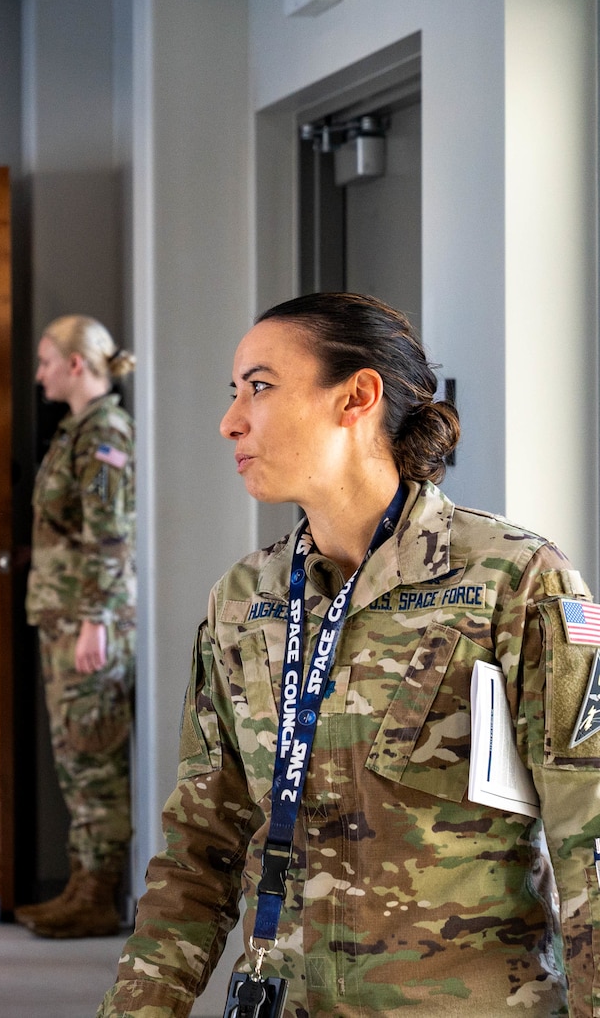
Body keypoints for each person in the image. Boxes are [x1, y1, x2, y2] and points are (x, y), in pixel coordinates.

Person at [101, 293, 600, 1016]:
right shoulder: (243, 600)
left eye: (260, 387)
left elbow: (589, 833)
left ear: (357, 396)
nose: (231, 420)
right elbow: (199, 846)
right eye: (233, 392)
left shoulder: (513, 581)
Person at [14, 315, 137, 940]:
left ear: (74, 364)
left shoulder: (104, 433)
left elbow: (110, 535)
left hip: (88, 624)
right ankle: (80, 886)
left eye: (44, 361)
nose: (37, 374)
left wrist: (95, 621)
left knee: (93, 758)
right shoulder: (78, 431)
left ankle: (98, 895)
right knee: (76, 759)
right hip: (66, 619)